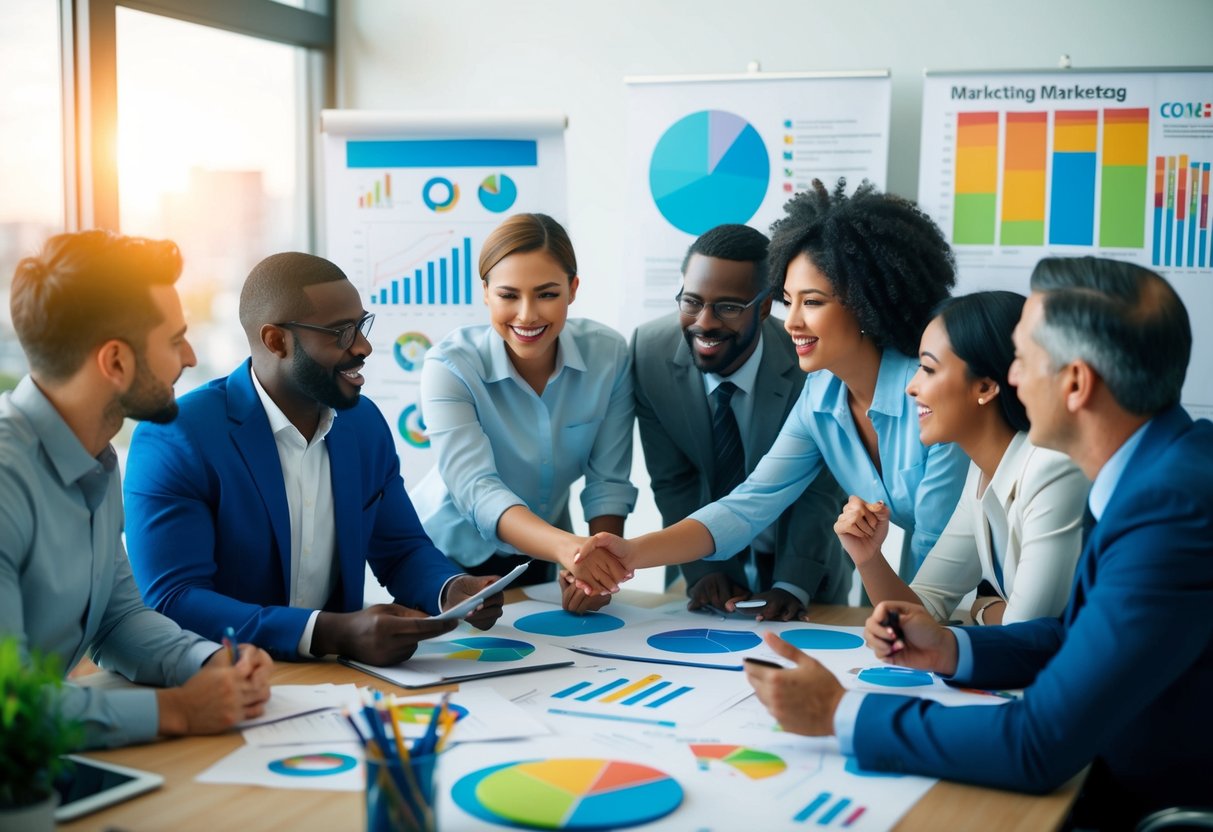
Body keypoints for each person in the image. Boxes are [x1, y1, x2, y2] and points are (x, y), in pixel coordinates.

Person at [745, 257, 1213, 829]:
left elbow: (1036, 744)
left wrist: (842, 713)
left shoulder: (1169, 508)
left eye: (1022, 359)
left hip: (1144, 797)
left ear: (1075, 383)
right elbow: (1074, 636)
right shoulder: (1157, 473)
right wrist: (951, 649)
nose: (1011, 378)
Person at [576, 180, 968, 592]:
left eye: (812, 302)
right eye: (789, 300)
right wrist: (632, 552)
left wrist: (911, 624)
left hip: (990, 596)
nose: (792, 322)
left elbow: (934, 546)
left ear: (867, 304)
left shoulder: (930, 388)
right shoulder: (819, 397)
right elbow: (747, 505)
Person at [124, 252, 504, 666]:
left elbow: (400, 549)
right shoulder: (179, 435)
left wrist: (449, 589)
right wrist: (329, 632)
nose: (363, 346)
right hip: (227, 677)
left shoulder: (363, 425)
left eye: (361, 325)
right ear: (276, 341)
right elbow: (173, 599)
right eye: (341, 332)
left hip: (336, 682)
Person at [0, 230, 272, 748]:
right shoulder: (7, 480)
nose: (191, 357)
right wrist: (177, 710)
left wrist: (213, 660)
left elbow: (117, 618)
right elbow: (8, 703)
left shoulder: (96, 457)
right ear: (116, 362)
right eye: (174, 341)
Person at [410, 213, 637, 613]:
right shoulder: (449, 367)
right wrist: (574, 551)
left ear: (573, 289)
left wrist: (604, 567)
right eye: (508, 295)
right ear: (485, 293)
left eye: (547, 294)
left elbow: (608, 481)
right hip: (446, 555)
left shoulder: (609, 355)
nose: (528, 315)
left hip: (544, 551)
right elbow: (477, 490)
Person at [632, 224, 850, 621]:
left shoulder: (812, 366)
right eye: (691, 301)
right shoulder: (649, 352)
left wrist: (791, 584)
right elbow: (673, 479)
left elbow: (820, 493)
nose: (705, 322)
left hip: (802, 565)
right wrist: (705, 569)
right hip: (704, 568)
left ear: (765, 306)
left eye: (729, 307)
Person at [834, 291, 1087, 624]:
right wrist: (868, 558)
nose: (912, 386)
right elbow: (922, 611)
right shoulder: (982, 473)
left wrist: (984, 609)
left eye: (928, 368)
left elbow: (1025, 633)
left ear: (985, 387)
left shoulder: (1051, 469)